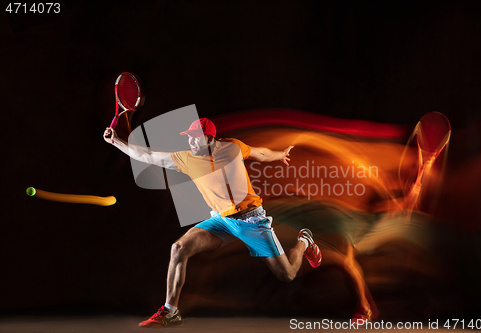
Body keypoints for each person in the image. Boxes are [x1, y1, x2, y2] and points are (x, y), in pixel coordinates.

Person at [103, 118, 322, 327]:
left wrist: (279, 155)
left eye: (195, 137)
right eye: (189, 137)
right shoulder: (186, 158)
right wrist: (117, 142)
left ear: (209, 138)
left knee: (287, 274)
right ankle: (170, 311)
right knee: (179, 248)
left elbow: (260, 153)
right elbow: (149, 156)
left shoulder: (232, 148)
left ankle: (304, 240)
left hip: (251, 219)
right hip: (221, 221)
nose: (191, 141)